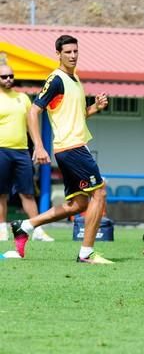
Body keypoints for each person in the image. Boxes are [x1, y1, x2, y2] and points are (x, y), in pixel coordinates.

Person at [12, 35, 112, 263]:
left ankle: (26, 225)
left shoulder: (74, 79)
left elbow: (78, 116)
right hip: (71, 147)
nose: (73, 55)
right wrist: (38, 145)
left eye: (75, 51)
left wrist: (96, 107)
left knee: (78, 204)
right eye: (67, 52)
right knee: (100, 192)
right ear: (58, 54)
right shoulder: (55, 79)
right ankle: (86, 253)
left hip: (75, 145)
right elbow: (34, 111)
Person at [0, 64, 54, 242]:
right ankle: (2, 230)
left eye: (10, 76)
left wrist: (38, 145)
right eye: (4, 77)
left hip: (22, 151)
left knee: (28, 193)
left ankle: (37, 230)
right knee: (1, 193)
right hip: (1, 151)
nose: (8, 79)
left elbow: (32, 124)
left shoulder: (23, 98)